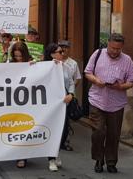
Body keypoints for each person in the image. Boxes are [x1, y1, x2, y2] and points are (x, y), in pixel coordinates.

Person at [84, 33, 133, 174]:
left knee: (113, 134)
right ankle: (98, 159)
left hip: (116, 103)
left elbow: (131, 81)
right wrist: (96, 80)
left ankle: (111, 162)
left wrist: (121, 86)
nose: (114, 51)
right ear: (108, 44)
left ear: (122, 47)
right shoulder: (98, 54)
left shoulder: (127, 60)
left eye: (118, 49)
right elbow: (87, 72)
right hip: (97, 100)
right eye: (112, 48)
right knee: (98, 132)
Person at [43, 43, 75, 172]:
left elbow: (71, 82)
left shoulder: (66, 67)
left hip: (63, 103)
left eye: (63, 52)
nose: (63, 54)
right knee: (53, 129)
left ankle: (57, 152)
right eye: (59, 52)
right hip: (50, 104)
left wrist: (71, 94)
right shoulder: (44, 67)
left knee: (64, 130)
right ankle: (51, 158)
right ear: (52, 54)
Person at [7, 42, 33, 168]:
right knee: (16, 129)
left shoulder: (33, 63)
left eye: (20, 56)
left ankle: (22, 156)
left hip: (28, 101)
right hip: (13, 101)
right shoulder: (9, 64)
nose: (18, 59)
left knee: (25, 128)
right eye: (16, 56)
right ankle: (17, 154)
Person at [57, 40, 81, 151]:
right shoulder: (54, 62)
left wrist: (70, 92)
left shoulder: (73, 63)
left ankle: (65, 141)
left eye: (65, 47)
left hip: (68, 96)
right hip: (56, 96)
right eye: (61, 47)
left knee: (67, 121)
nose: (63, 49)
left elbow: (77, 79)